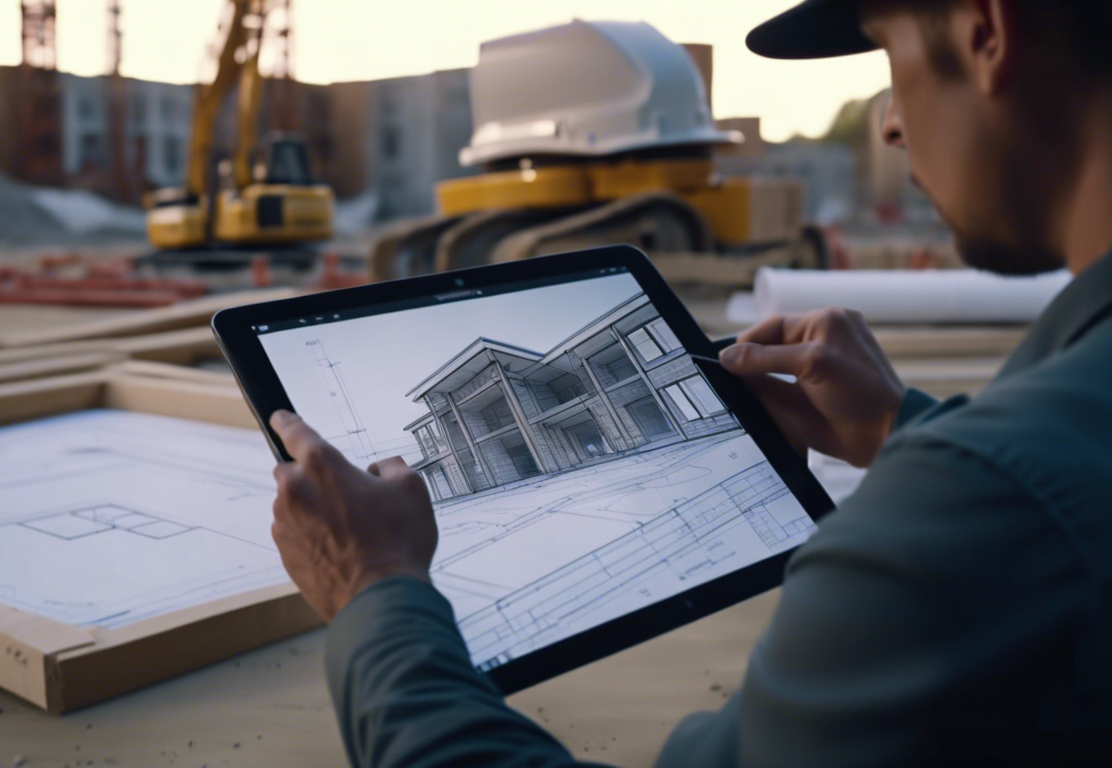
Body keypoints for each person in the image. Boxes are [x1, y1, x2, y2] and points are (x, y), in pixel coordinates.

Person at [265, 0, 1112, 764]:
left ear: (987, 32)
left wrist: (376, 588)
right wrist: (902, 428)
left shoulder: (976, 503)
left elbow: (1010, 509)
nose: (890, 123)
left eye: (887, 57)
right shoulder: (1027, 454)